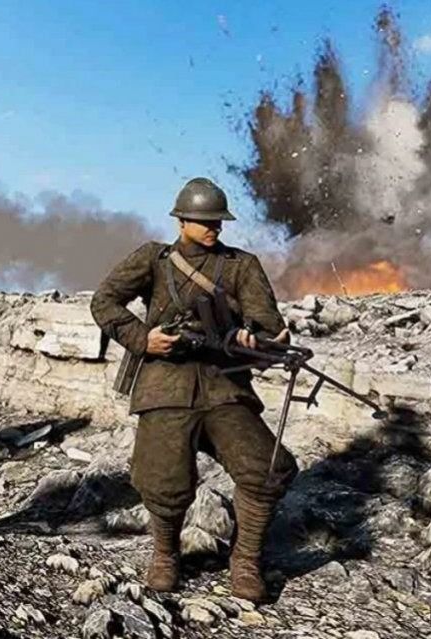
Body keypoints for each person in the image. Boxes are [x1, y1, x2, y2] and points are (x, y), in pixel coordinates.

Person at [90, 177, 297, 602]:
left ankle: (246, 561)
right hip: (165, 384)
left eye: (218, 222)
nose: (213, 228)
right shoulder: (154, 260)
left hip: (224, 387)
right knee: (162, 480)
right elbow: (104, 302)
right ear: (181, 220)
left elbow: (269, 328)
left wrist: (253, 338)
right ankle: (165, 555)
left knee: (267, 468)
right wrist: (143, 339)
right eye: (205, 221)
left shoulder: (241, 266)